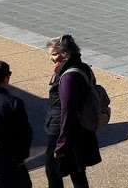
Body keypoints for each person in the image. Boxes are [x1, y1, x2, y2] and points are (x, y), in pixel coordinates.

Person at [44, 35, 101, 188]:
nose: (52, 58)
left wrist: (61, 143)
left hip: (62, 130)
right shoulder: (82, 67)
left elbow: (67, 110)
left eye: (55, 54)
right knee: (77, 169)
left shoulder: (68, 76)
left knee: (53, 170)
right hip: (78, 127)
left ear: (65, 53)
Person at [0, 59, 32, 188]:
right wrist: (20, 157)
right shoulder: (12, 103)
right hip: (9, 167)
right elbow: (24, 134)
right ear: (5, 78)